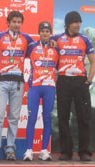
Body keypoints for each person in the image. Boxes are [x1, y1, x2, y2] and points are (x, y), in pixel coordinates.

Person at [0, 11, 33, 160]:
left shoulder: (26, 38)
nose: (17, 24)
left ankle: (10, 148)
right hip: (2, 81)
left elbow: (38, 49)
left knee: (13, 117)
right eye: (14, 22)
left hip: (18, 82)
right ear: (8, 22)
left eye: (19, 22)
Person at [52, 11, 95, 161]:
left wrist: (89, 80)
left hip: (80, 82)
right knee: (63, 118)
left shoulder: (84, 39)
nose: (78, 25)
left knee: (83, 118)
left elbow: (93, 61)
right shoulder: (57, 39)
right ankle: (66, 152)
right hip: (63, 82)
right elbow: (44, 45)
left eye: (79, 22)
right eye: (75, 22)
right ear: (68, 24)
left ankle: (84, 152)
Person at [23, 21, 59, 161]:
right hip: (35, 87)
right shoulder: (32, 46)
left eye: (47, 31)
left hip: (49, 87)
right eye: (42, 31)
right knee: (31, 118)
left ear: (50, 32)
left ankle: (44, 150)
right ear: (39, 32)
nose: (45, 33)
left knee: (47, 118)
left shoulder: (55, 47)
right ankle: (29, 150)